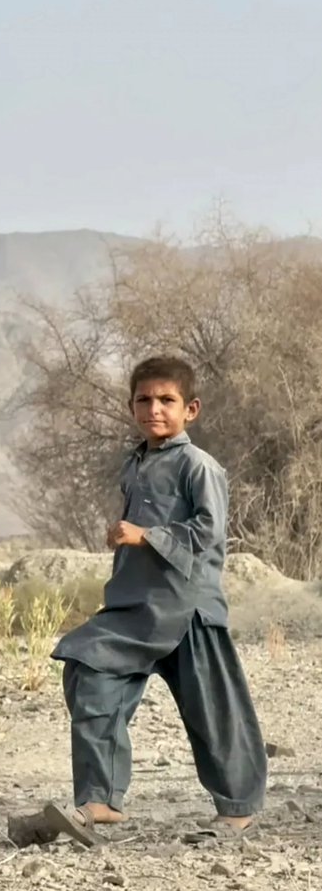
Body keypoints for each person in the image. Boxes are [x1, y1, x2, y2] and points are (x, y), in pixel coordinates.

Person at [42, 355, 266, 845]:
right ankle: (100, 799)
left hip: (187, 608)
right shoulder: (135, 463)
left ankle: (239, 808)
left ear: (191, 409)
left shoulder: (198, 466)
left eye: (167, 400)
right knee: (89, 668)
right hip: (135, 608)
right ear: (131, 407)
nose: (154, 409)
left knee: (213, 711)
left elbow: (209, 531)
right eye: (144, 400)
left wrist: (145, 535)